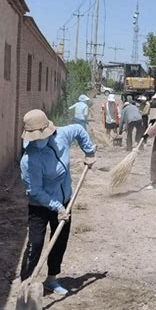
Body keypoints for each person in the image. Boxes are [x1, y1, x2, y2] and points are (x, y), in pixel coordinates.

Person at [19, 109, 96, 295]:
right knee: (35, 245)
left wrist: (89, 151)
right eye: (34, 138)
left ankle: (52, 279)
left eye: (40, 136)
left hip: (65, 199)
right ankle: (26, 286)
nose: (37, 141)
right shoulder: (29, 159)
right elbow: (35, 191)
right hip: (40, 205)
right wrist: (56, 206)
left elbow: (79, 129)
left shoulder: (62, 135)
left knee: (60, 240)